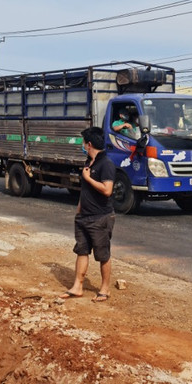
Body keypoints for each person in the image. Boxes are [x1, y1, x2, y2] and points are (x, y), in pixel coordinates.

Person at [61, 126, 115, 302]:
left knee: (102, 255)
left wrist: (89, 179)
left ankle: (104, 290)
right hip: (83, 216)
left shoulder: (106, 164)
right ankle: (77, 286)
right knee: (81, 251)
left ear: (89, 144)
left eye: (84, 142)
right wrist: (78, 211)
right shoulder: (88, 162)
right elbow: (85, 192)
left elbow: (107, 190)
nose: (82, 145)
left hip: (100, 218)